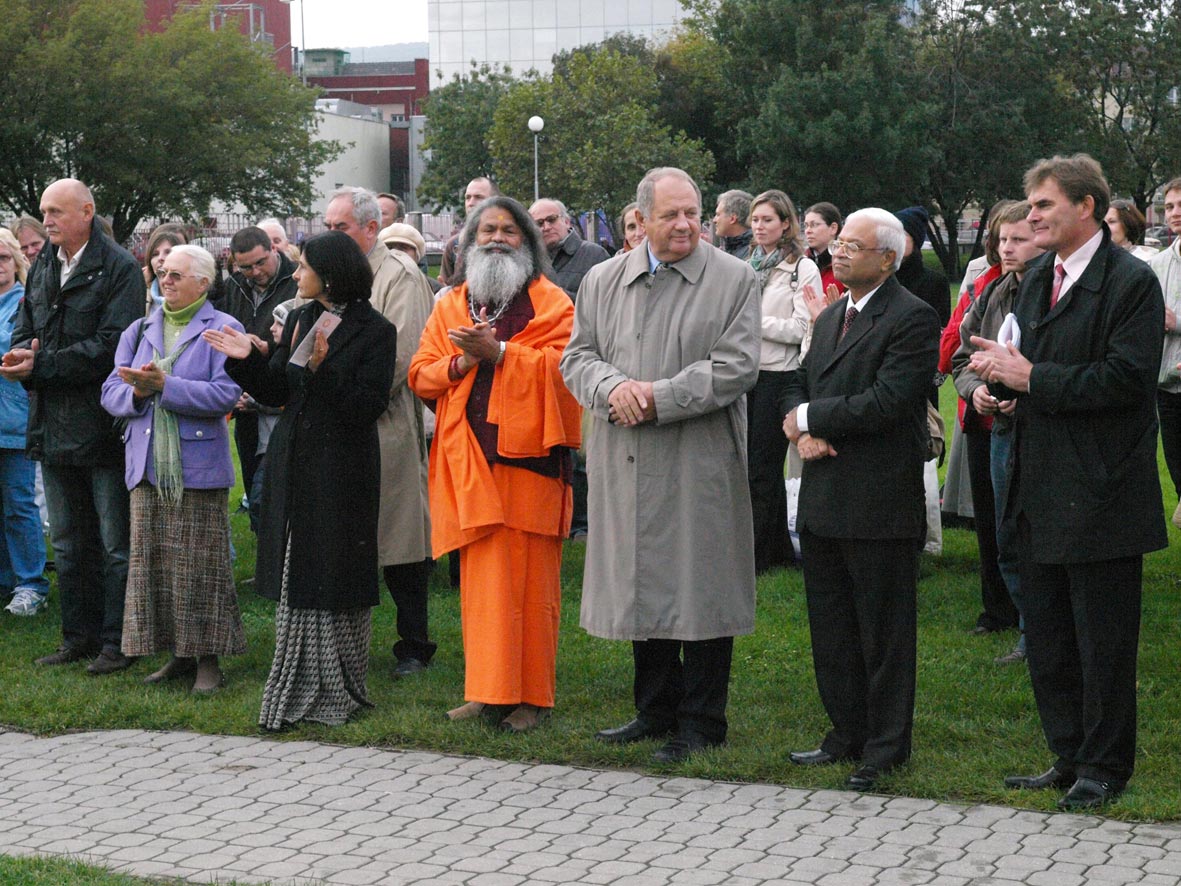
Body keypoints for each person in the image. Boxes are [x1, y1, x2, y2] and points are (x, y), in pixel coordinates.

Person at [969, 154, 1166, 810]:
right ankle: (1066, 755)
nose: (1030, 217)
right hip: (1036, 479)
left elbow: (1125, 378)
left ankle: (1104, 768)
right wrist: (997, 389)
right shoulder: (1034, 280)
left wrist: (1032, 380)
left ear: (1085, 207)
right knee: (1048, 632)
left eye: (1043, 205)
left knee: (1101, 639)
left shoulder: (1129, 282)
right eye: (1030, 206)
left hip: (1099, 489)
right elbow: (1024, 359)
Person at [561, 167, 760, 764]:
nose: (684, 225)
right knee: (640, 580)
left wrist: (657, 396)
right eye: (671, 215)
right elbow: (578, 357)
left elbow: (736, 366)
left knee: (701, 585)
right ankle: (654, 709)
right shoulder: (602, 279)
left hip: (696, 457)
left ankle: (702, 720)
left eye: (693, 213)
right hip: (624, 456)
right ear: (641, 219)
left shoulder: (734, 278)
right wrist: (613, 386)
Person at [205, 230, 397, 730]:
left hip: (343, 467)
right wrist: (244, 359)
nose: (295, 274)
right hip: (296, 457)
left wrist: (320, 370)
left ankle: (338, 680)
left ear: (330, 274)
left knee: (332, 569)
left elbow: (367, 405)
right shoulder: (300, 317)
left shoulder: (376, 330)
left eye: (304, 267)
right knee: (299, 567)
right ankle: (299, 674)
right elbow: (277, 388)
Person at [780, 209, 939, 791]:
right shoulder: (829, 319)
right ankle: (845, 733)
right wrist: (801, 426)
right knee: (833, 628)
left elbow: (890, 400)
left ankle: (885, 746)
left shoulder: (912, 318)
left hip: (878, 501)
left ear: (888, 259)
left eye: (853, 245)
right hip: (825, 496)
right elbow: (800, 379)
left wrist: (813, 418)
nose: (839, 253)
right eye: (838, 243)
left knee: (884, 632)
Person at [409, 196, 581, 732]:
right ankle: (488, 691)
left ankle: (531, 699)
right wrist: (463, 360)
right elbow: (420, 374)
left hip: (530, 466)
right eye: (487, 230)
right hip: (469, 464)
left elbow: (566, 370)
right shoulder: (450, 304)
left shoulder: (552, 303)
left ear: (528, 243)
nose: (497, 238)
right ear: (467, 243)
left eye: (509, 230)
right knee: (483, 588)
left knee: (531, 591)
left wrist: (503, 355)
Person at [0, 179, 143, 673]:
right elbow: (27, 324)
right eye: (44, 211)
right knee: (66, 541)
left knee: (113, 543)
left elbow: (110, 349)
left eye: (57, 211)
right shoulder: (44, 263)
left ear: (87, 210)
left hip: (101, 425)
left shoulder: (120, 268)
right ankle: (76, 638)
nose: (48, 220)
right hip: (51, 425)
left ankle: (118, 642)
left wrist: (40, 367)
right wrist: (20, 352)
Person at [101, 245, 246, 693]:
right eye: (163, 273)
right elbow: (110, 391)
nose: (167, 280)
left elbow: (226, 394)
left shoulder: (224, 328)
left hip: (197, 466)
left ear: (204, 283)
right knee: (158, 567)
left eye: (178, 275)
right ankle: (178, 657)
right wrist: (140, 394)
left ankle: (209, 662)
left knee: (201, 568)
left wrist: (167, 386)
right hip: (146, 466)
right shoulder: (142, 327)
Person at [326, 187, 436, 679]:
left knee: (400, 537)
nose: (333, 236)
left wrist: (349, 391)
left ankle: (414, 643)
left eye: (341, 227)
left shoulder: (401, 275)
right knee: (350, 533)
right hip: (341, 418)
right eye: (327, 227)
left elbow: (403, 355)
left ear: (371, 229)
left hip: (384, 418)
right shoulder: (336, 273)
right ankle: (346, 639)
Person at [952, 201, 1045, 665]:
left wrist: (1022, 387)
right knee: (1007, 534)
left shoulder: (1054, 292)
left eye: (1018, 239)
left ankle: (1043, 636)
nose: (1006, 248)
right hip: (999, 430)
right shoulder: (992, 292)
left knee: (1039, 534)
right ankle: (1032, 634)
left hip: (1044, 432)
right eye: (1002, 240)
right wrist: (976, 393)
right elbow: (960, 359)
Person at [745, 189, 821, 573]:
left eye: (767, 220)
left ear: (786, 223)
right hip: (747, 374)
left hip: (781, 375)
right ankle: (773, 547)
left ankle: (757, 555)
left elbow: (803, 328)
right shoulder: (749, 263)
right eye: (755, 220)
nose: (759, 227)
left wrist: (753, 326)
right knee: (753, 465)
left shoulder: (801, 268)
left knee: (763, 465)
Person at [217, 226, 298, 523]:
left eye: (260, 262)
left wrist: (270, 346)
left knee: (273, 491)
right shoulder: (235, 285)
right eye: (246, 266)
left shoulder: (296, 281)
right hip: (246, 396)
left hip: (280, 394)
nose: (254, 271)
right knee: (253, 485)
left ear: (273, 250)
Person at [0, 229, 49, 616]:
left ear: (16, 261)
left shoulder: (25, 302)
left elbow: (19, 349)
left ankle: (31, 583)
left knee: (19, 504)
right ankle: (5, 580)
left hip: (15, 418)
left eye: (3, 257)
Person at [1149, 177, 1181, 528]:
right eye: (1169, 206)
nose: (1175, 213)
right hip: (1166, 385)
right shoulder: (1157, 264)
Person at [529, 198, 610, 300]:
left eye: (552, 219)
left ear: (567, 222)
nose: (546, 227)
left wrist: (558, 295)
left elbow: (605, 302)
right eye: (539, 223)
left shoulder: (595, 255)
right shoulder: (529, 261)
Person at [438, 177, 499, 286]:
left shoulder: (506, 240)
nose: (471, 203)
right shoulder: (454, 245)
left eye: (478, 197)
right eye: (468, 198)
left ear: (495, 201)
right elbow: (445, 287)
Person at [141, 224, 188, 315]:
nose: (160, 258)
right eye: (155, 254)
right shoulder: (140, 288)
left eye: (168, 252)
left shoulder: (194, 290)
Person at [803, 202, 845, 295]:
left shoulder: (845, 263)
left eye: (814, 225)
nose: (808, 231)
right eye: (806, 225)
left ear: (833, 228)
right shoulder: (800, 262)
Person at [712, 189, 754, 260]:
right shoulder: (731, 248)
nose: (714, 220)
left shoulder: (752, 254)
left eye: (718, 215)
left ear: (732, 219)